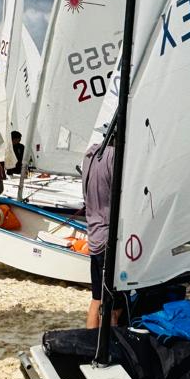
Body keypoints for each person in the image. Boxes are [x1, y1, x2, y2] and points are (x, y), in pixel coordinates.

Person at [82, 136, 120, 329]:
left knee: (97, 298)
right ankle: (113, 343)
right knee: (114, 304)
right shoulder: (113, 157)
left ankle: (89, 341)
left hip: (94, 237)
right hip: (108, 240)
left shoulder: (91, 156)